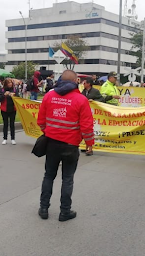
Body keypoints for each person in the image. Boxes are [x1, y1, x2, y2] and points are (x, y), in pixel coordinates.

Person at [37, 70, 94, 222]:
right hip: (71, 145)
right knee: (67, 179)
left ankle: (43, 208)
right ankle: (65, 212)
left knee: (49, 175)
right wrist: (89, 144)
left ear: (60, 79)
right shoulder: (81, 100)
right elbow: (87, 126)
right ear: (76, 81)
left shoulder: (49, 95)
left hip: (52, 144)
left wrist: (48, 131)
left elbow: (41, 120)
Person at [0, 78, 18, 145]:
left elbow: (19, 98)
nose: (10, 84)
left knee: (12, 124)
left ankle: (13, 139)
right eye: (8, 83)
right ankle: (5, 138)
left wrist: (14, 95)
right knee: (5, 124)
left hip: (13, 109)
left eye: (11, 82)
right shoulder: (2, 90)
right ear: (6, 84)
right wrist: (4, 95)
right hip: (4, 109)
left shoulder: (14, 90)